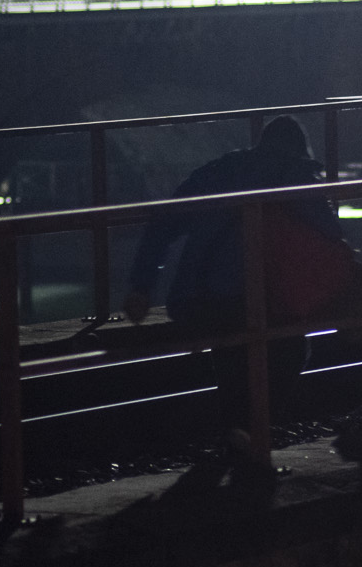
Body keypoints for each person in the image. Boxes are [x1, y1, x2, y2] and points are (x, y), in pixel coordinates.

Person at [123, 116, 344, 467]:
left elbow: (164, 222)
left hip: (196, 300)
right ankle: (252, 435)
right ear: (301, 149)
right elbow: (331, 232)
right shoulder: (296, 174)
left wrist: (141, 285)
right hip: (260, 299)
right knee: (290, 348)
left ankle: (237, 435)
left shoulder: (219, 170)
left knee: (232, 359)